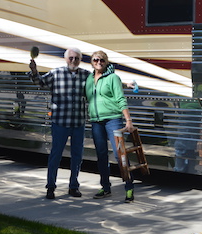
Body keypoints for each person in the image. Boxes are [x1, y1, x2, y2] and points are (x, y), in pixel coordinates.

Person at [29, 47, 90, 200]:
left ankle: (73, 186)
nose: (73, 61)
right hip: (60, 122)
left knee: (77, 156)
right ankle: (50, 187)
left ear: (80, 60)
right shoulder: (56, 73)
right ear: (65, 59)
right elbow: (40, 83)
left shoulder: (86, 75)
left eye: (76, 58)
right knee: (56, 154)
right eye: (71, 58)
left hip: (78, 123)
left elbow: (99, 87)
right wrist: (34, 72)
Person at [86, 50, 135, 202]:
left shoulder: (113, 77)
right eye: (95, 60)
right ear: (91, 62)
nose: (98, 62)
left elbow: (120, 98)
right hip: (96, 121)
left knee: (119, 154)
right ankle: (105, 187)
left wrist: (128, 120)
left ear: (106, 62)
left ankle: (129, 187)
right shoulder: (88, 79)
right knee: (101, 155)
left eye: (102, 60)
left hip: (113, 119)